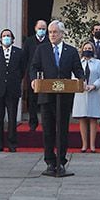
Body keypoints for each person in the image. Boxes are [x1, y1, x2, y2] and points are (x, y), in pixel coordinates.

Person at [30, 20, 84, 177]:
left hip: (64, 97)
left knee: (62, 130)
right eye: (50, 32)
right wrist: (34, 79)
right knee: (48, 130)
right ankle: (49, 162)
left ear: (62, 33)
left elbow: (78, 70)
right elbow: (34, 67)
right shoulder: (42, 49)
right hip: (46, 96)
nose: (52, 35)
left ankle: (61, 161)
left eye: (55, 32)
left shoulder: (71, 51)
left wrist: (81, 80)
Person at [0, 29, 26, 152]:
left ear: (13, 39)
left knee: (12, 118)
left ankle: (12, 144)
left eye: (8, 36)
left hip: (13, 89)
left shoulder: (19, 53)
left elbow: (22, 69)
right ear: (0, 39)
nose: (6, 38)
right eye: (4, 36)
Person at [72, 41, 100, 153]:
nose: (87, 50)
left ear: (93, 50)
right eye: (85, 48)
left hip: (94, 92)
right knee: (82, 118)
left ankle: (92, 145)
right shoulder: (77, 62)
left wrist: (94, 85)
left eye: (90, 48)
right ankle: (84, 145)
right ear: (82, 49)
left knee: (93, 118)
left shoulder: (98, 62)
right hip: (81, 92)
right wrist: (81, 84)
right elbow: (73, 76)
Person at [22, 20, 49, 131]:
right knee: (32, 100)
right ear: (35, 28)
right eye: (40, 28)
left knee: (46, 101)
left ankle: (46, 123)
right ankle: (33, 123)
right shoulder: (29, 41)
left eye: (44, 29)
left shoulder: (49, 41)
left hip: (47, 75)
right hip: (32, 75)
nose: (41, 30)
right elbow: (25, 57)